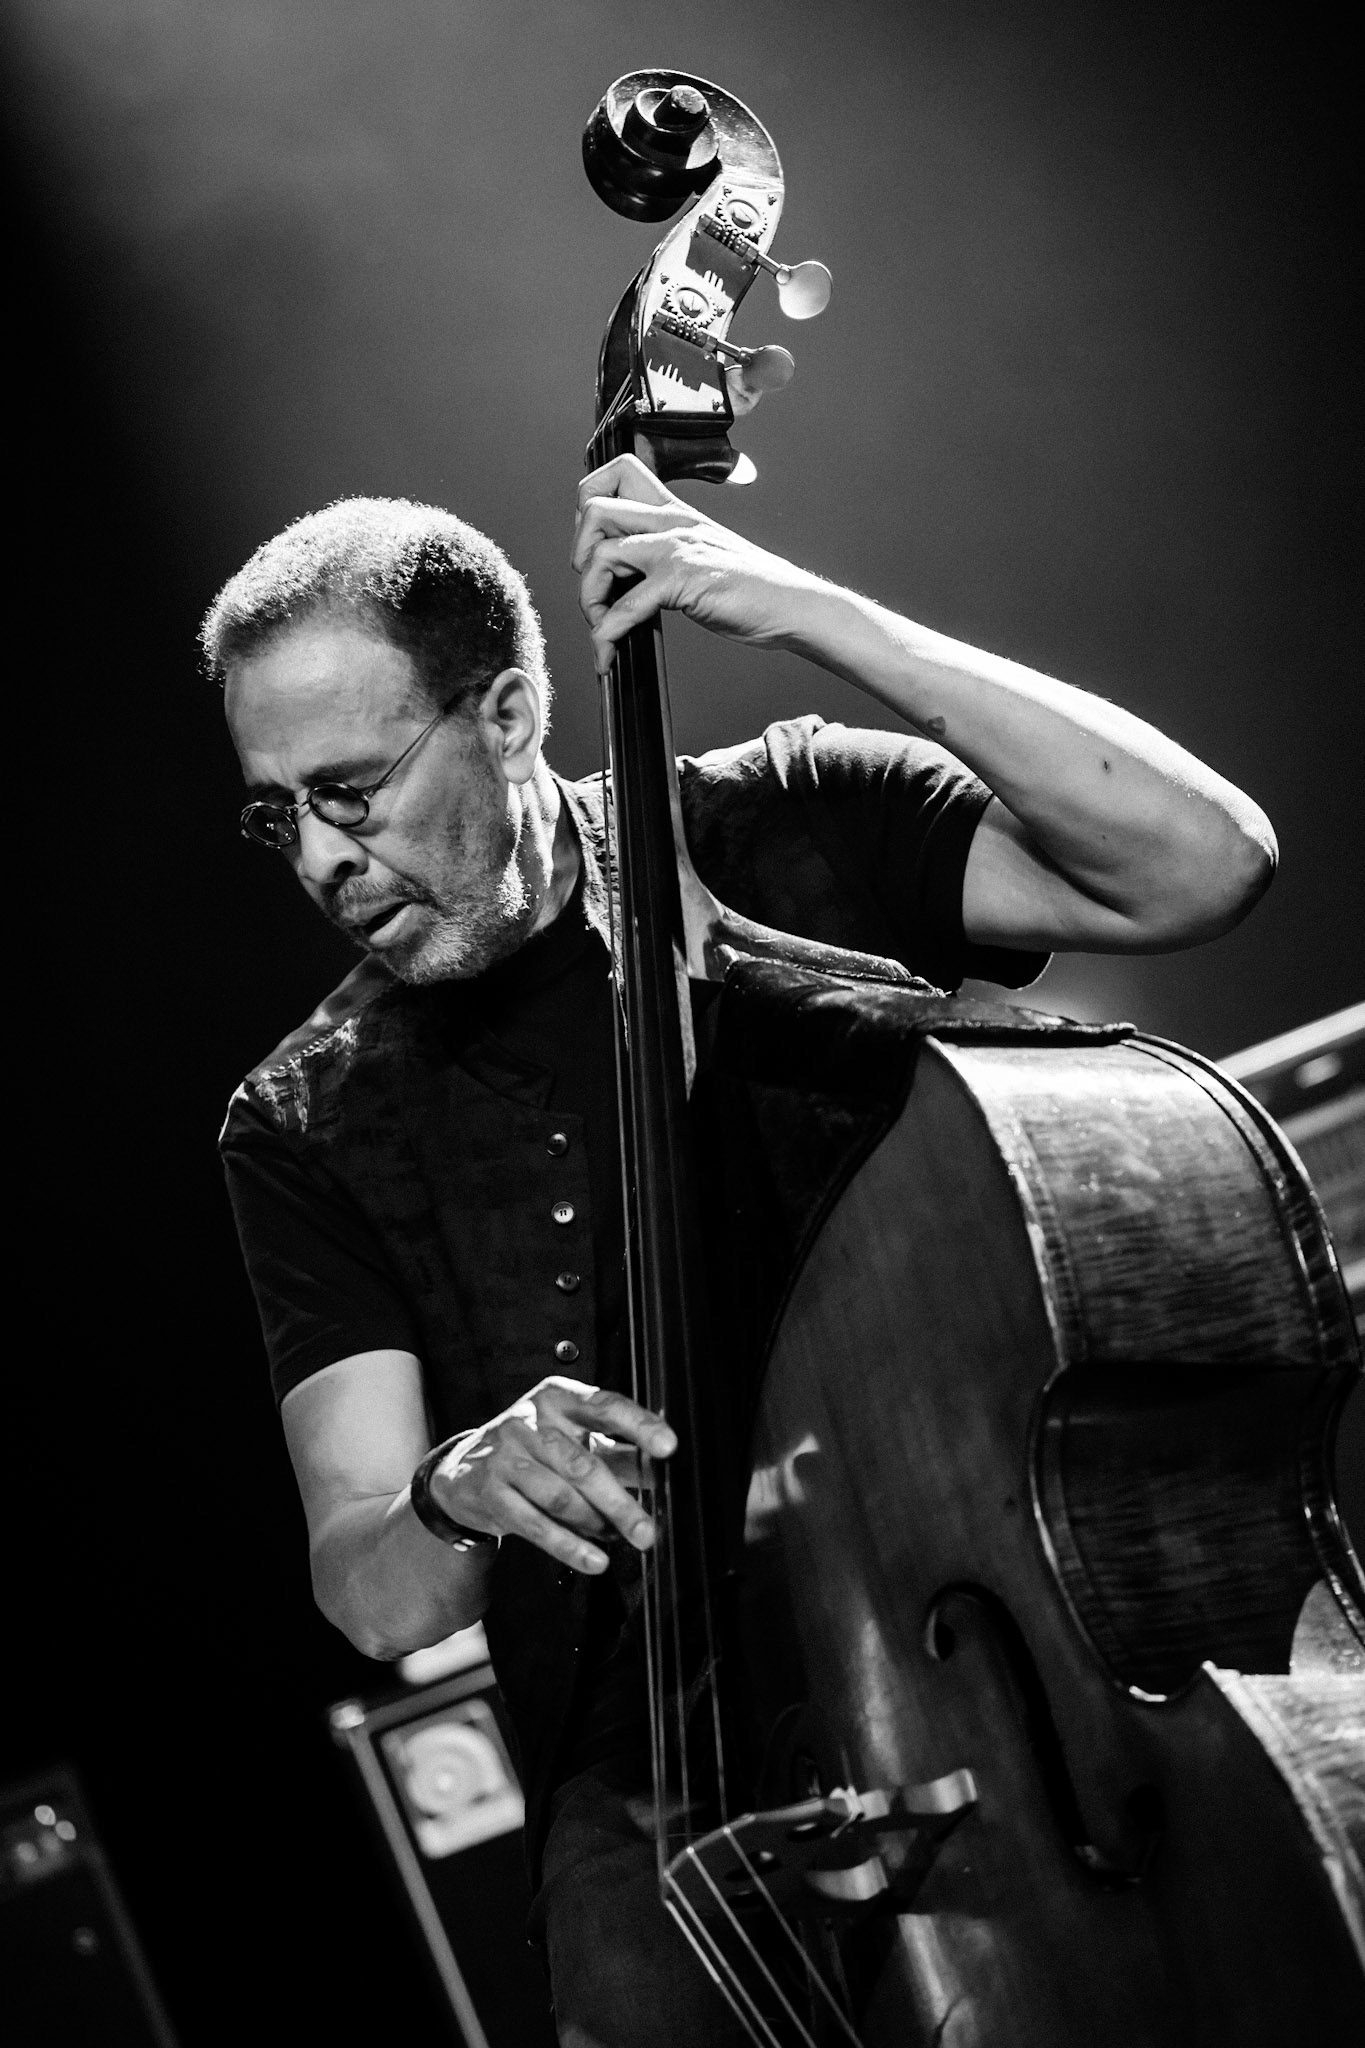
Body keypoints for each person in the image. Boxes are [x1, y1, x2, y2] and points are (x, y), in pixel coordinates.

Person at [210, 454, 1275, 2047]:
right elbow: (375, 1592)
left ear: (505, 714)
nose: (319, 861)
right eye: (274, 813)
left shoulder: (776, 832)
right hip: (651, 1806)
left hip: (999, 1676)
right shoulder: (305, 1120)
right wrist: (451, 1484)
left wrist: (819, 619)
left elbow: (1201, 863)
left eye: (351, 793)